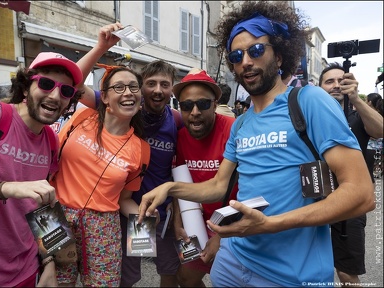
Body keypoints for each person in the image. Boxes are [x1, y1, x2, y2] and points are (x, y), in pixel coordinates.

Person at [138, 1, 375, 287]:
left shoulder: (309, 100)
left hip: (292, 275)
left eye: (256, 50)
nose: (246, 61)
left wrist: (270, 224)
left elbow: (362, 194)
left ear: (279, 56)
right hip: (232, 262)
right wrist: (169, 188)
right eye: (237, 55)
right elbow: (217, 185)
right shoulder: (241, 123)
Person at [0, 51, 83, 287]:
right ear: (25, 88)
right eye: (45, 84)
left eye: (65, 91)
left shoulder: (50, 140)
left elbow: (43, 206)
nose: (55, 95)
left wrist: (49, 262)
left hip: (25, 270)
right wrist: (6, 188)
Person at [50, 23, 156, 287]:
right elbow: (71, 82)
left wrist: (144, 220)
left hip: (104, 225)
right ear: (104, 97)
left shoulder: (142, 149)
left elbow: (124, 199)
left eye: (133, 87)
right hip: (55, 213)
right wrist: (101, 47)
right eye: (119, 88)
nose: (128, 92)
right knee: (54, 282)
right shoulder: (81, 116)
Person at [76, 23, 182, 287]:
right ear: (140, 88)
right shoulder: (123, 108)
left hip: (160, 213)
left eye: (165, 84)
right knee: (129, 275)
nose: (158, 90)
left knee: (168, 270)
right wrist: (101, 46)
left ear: (172, 89)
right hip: (129, 211)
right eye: (151, 84)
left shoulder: (178, 120)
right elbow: (75, 86)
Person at [319, 63, 384, 287]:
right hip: (314, 199)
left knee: (347, 274)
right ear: (319, 88)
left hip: (350, 202)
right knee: (311, 264)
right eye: (329, 82)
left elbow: (381, 130)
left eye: (341, 81)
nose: (336, 85)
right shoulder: (308, 116)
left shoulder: (359, 116)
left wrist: (356, 99)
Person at [171, 68, 237, 287]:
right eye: (187, 106)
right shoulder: (181, 137)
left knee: (230, 281)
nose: (195, 111)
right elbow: (182, 183)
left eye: (203, 104)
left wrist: (222, 236)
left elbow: (253, 188)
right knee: (185, 279)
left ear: (215, 104)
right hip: (197, 222)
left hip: (236, 224)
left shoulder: (234, 130)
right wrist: (178, 223)